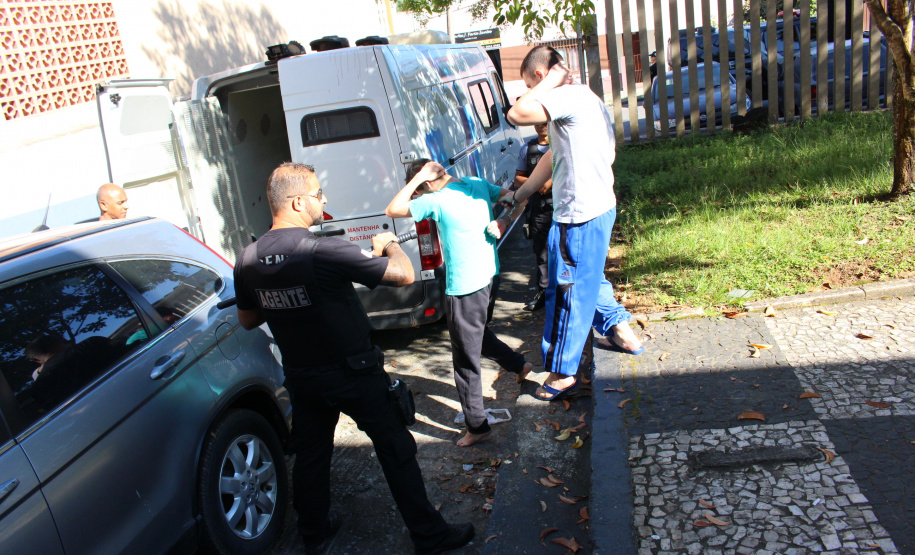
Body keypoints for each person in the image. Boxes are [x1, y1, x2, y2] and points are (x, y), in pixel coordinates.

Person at [233, 162, 473, 555]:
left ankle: (313, 531)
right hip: (354, 373)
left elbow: (248, 318)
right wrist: (388, 245)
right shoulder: (322, 249)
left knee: (311, 455)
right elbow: (403, 275)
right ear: (296, 202)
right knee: (396, 448)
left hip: (302, 376)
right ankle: (430, 535)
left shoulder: (248, 258)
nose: (323, 200)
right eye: (317, 194)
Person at [505, 45, 644, 402]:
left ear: (540, 76)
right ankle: (621, 331)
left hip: (579, 216)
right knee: (588, 277)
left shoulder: (566, 94)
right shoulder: (584, 98)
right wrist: (519, 197)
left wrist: (551, 78)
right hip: (596, 208)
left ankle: (564, 373)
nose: (532, 92)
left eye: (530, 83)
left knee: (567, 290)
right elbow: (555, 155)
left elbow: (516, 112)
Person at [385, 160, 532, 448]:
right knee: (474, 336)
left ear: (426, 184)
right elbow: (519, 200)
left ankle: (477, 427)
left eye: (418, 191)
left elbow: (392, 209)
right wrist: (504, 219)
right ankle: (519, 365)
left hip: (464, 289)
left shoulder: (434, 200)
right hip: (490, 278)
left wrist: (417, 183)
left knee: (465, 360)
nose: (417, 198)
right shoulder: (476, 184)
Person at [511, 123, 552, 312]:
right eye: (538, 122)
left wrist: (550, 181)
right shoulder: (527, 148)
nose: (542, 125)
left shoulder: (560, 144)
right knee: (541, 254)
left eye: (545, 121)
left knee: (566, 252)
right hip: (539, 210)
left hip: (563, 209)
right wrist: (537, 183)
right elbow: (518, 178)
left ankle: (565, 294)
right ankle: (543, 293)